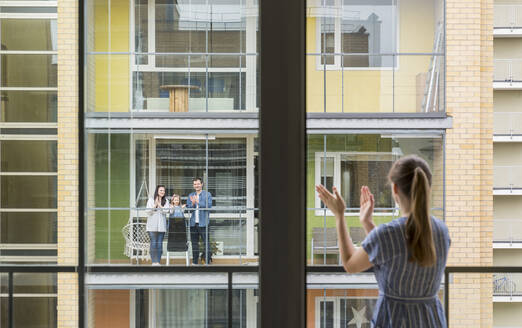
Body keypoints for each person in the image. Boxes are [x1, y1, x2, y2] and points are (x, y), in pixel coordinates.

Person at [316, 155, 450, 327]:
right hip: (431, 320)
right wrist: (367, 223)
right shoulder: (442, 231)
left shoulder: (388, 234)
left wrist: (340, 216)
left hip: (394, 320)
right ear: (427, 187)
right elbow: (398, 254)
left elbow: (350, 263)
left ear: (395, 189)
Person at [186, 177, 213, 265]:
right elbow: (188, 208)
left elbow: (209, 206)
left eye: (198, 184)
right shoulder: (191, 195)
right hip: (193, 223)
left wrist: (198, 202)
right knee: (194, 244)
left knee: (206, 243)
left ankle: (207, 261)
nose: (196, 185)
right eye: (195, 184)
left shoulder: (207, 194)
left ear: (202, 184)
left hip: (204, 223)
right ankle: (194, 262)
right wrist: (193, 204)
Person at [146, 185, 170, 266]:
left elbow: (167, 211)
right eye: (161, 190)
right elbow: (148, 212)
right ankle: (153, 262)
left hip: (161, 226)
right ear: (157, 191)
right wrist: (155, 205)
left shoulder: (166, 200)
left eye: (163, 191)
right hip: (152, 226)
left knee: (159, 244)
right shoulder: (151, 200)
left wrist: (159, 205)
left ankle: (158, 262)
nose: (162, 192)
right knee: (153, 243)